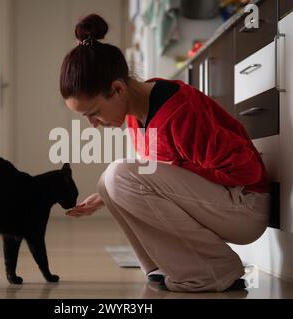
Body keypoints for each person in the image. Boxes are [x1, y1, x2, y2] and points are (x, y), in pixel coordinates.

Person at [60, 14, 270, 292]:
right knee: (108, 182)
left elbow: (247, 172)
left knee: (119, 173)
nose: (93, 124)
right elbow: (160, 173)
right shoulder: (136, 114)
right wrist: (107, 195)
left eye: (94, 113)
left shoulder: (179, 111)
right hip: (220, 204)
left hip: (245, 206)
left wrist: (172, 171)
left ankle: (214, 270)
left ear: (118, 89)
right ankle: (164, 267)